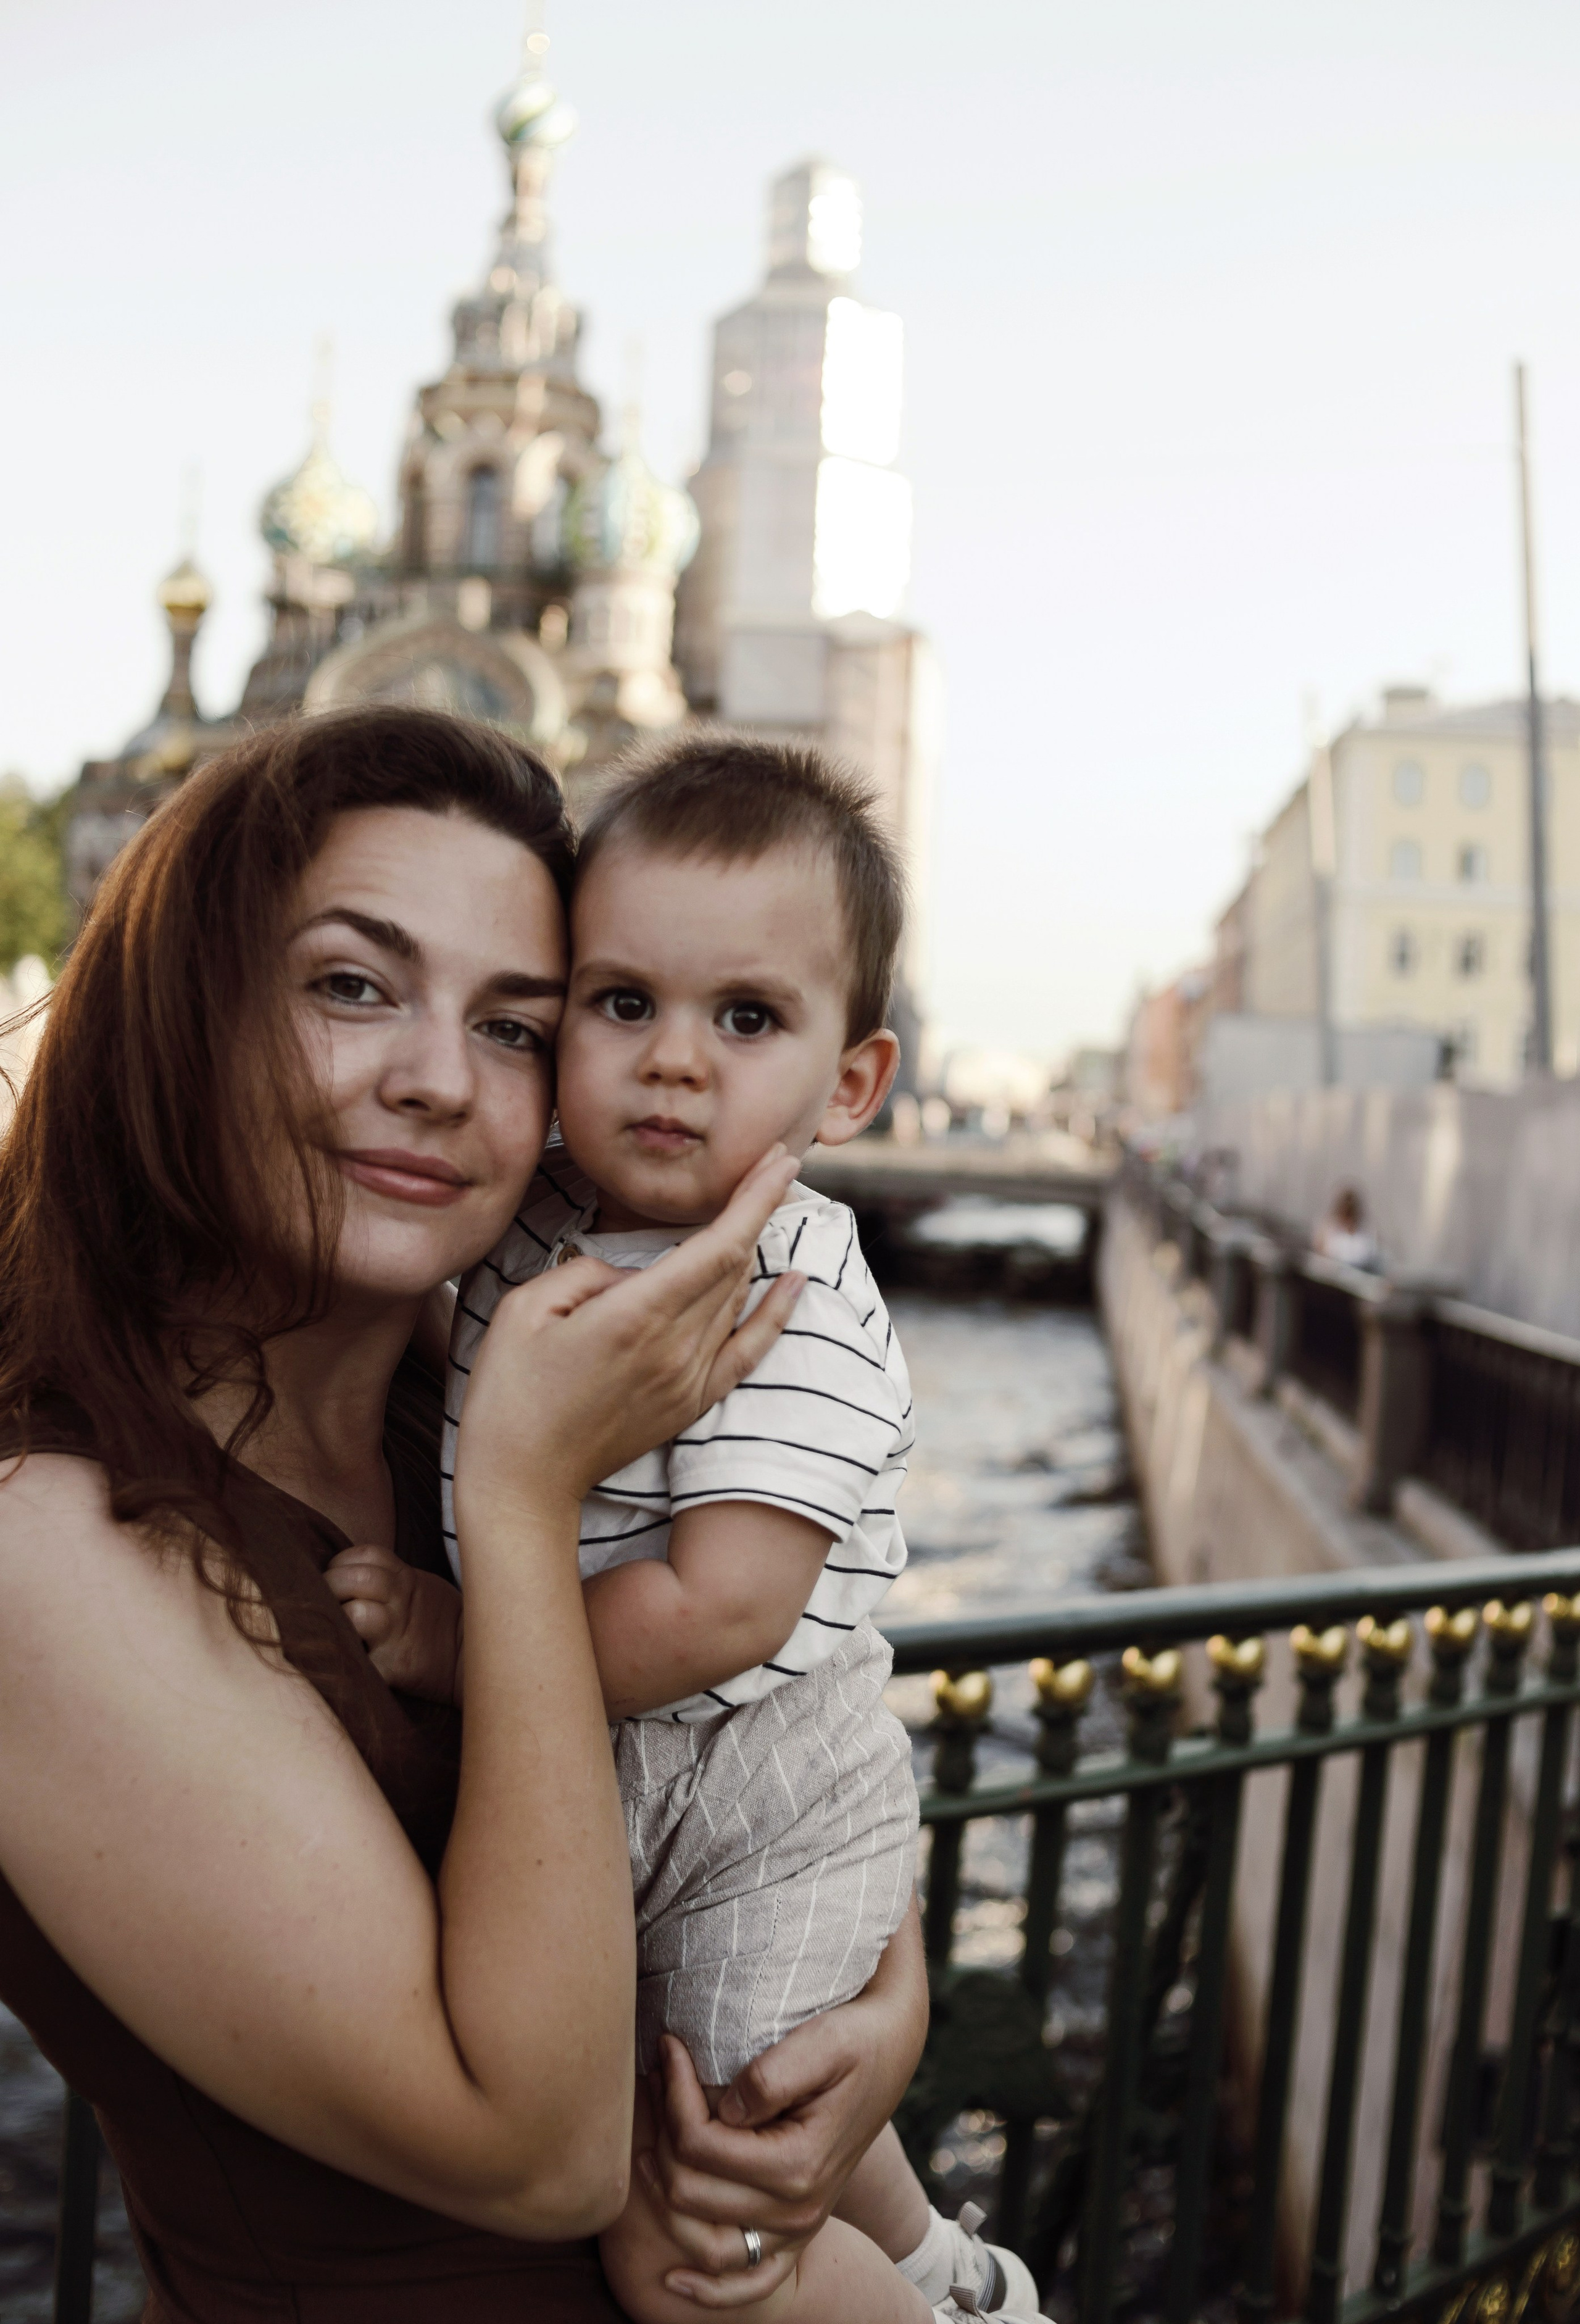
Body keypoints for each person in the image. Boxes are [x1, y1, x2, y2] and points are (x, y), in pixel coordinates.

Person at [0, 707, 931, 2322]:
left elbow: (750, 1748)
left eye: (515, 1024)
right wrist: (516, 1500)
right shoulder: (47, 1540)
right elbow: (547, 2159)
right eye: (352, 985)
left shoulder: (474, 1380)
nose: (438, 1080)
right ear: (185, 1011)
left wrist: (883, 2016)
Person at [326, 738, 1041, 2324]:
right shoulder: (536, 1222)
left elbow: (719, 1610)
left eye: (745, 1019)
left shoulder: (790, 1299)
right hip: (633, 1774)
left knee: (695, 2236)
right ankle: (945, 2260)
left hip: (747, 1785)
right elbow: (478, 1382)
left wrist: (456, 1634)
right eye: (621, 1001)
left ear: (849, 1083)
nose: (670, 1061)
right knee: (770, 2120)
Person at [1312, 1185, 1379, 1271]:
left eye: (1351, 1212)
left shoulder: (1366, 1233)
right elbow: (1320, 1250)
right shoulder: (1328, 1228)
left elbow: (1369, 1257)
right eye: (1345, 1212)